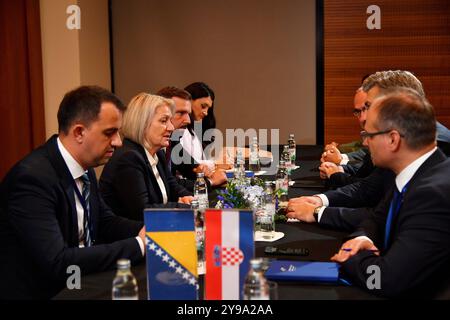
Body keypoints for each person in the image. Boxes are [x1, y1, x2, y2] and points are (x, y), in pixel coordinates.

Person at [0, 86, 145, 299]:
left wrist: (151, 229)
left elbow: (105, 222)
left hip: (78, 281)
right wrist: (139, 245)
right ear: (79, 132)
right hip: (46, 292)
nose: (118, 142)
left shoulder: (85, 168)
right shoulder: (32, 179)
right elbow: (58, 261)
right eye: (109, 133)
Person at [286, 70, 446, 231]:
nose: (363, 117)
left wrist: (318, 212)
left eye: (368, 106)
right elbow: (373, 192)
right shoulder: (403, 143)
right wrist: (320, 201)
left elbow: (391, 221)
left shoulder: (435, 148)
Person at [330, 88, 450, 298]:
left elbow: (384, 280)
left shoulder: (433, 195)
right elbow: (376, 219)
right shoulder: (414, 172)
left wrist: (350, 257)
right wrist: (361, 238)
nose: (365, 143)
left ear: (393, 140)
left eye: (369, 135)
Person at [99, 93, 194, 221]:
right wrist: (179, 206)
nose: (171, 128)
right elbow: (143, 212)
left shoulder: (157, 153)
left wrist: (188, 198)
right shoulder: (128, 158)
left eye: (170, 121)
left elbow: (173, 186)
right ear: (142, 123)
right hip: (132, 236)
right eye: (164, 121)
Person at [156, 86, 227, 191]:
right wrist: (210, 182)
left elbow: (190, 168)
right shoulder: (140, 152)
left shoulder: (173, 140)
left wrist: (201, 169)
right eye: (180, 113)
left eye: (188, 114)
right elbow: (171, 185)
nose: (188, 120)